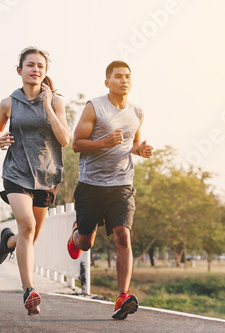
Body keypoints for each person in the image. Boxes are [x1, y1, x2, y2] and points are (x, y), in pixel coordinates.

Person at [67, 60, 153, 320]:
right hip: (91, 184)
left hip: (122, 184)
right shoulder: (95, 107)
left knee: (122, 237)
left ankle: (123, 296)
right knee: (86, 243)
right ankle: (75, 235)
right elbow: (76, 145)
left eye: (127, 76)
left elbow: (133, 144)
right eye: (118, 77)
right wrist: (104, 142)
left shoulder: (137, 111)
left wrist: (141, 150)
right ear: (107, 82)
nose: (124, 80)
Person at [0, 47, 70, 315]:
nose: (35, 69)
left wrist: (47, 106)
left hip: (46, 175)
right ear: (20, 70)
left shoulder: (57, 103)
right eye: (30, 65)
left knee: (29, 236)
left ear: (45, 72)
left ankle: (8, 243)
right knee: (27, 225)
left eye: (40, 66)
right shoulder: (9, 103)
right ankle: (28, 289)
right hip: (16, 173)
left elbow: (65, 140)